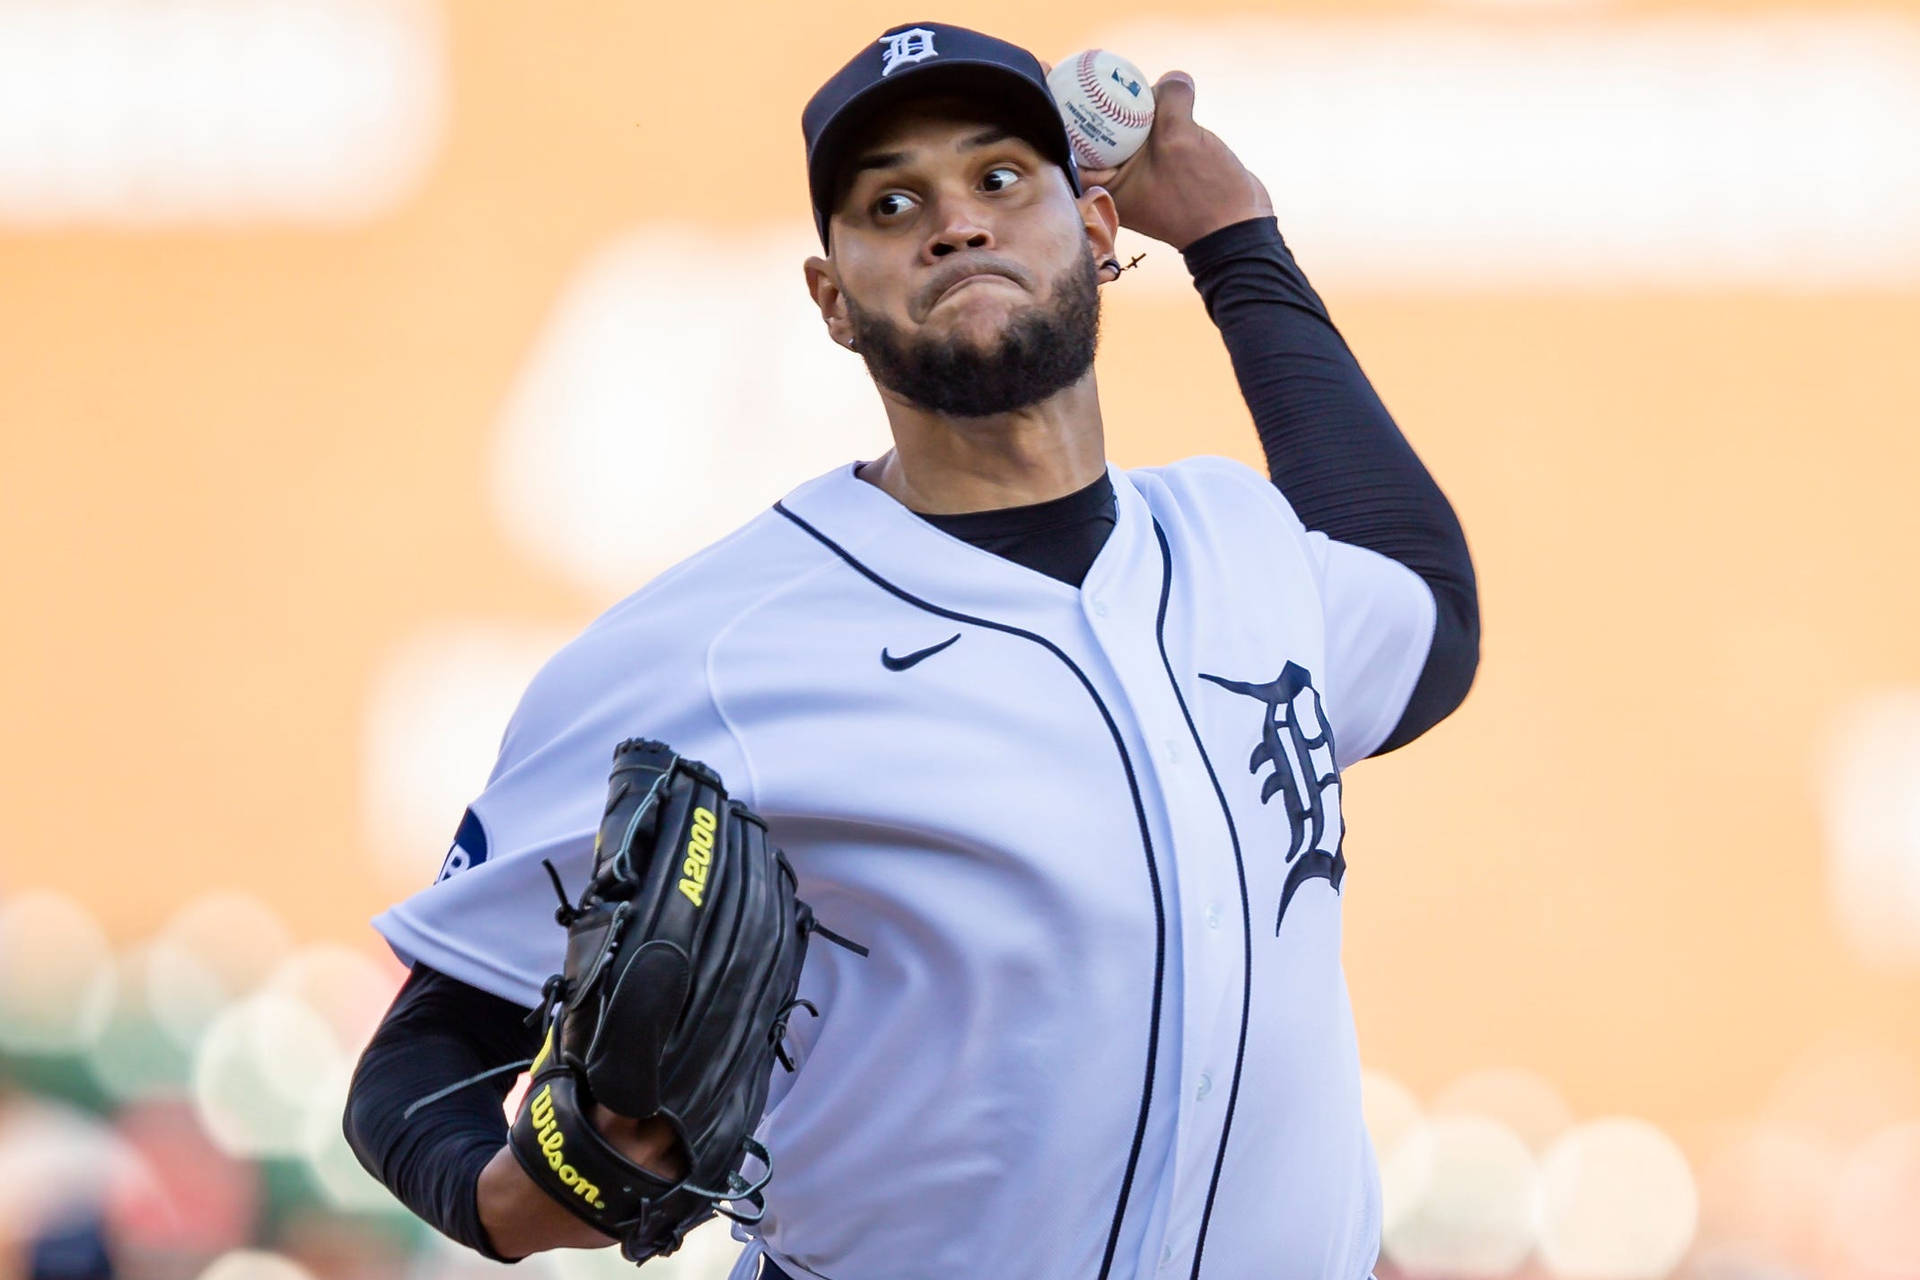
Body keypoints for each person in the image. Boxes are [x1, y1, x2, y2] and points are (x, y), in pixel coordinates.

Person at [344, 20, 1478, 1280]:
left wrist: (1235, 239)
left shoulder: (1240, 545)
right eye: (893, 202)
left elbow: (1428, 607)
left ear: (1097, 233)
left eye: (1000, 177)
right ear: (833, 300)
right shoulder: (711, 648)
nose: (956, 221)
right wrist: (514, 1200)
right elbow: (417, 1060)